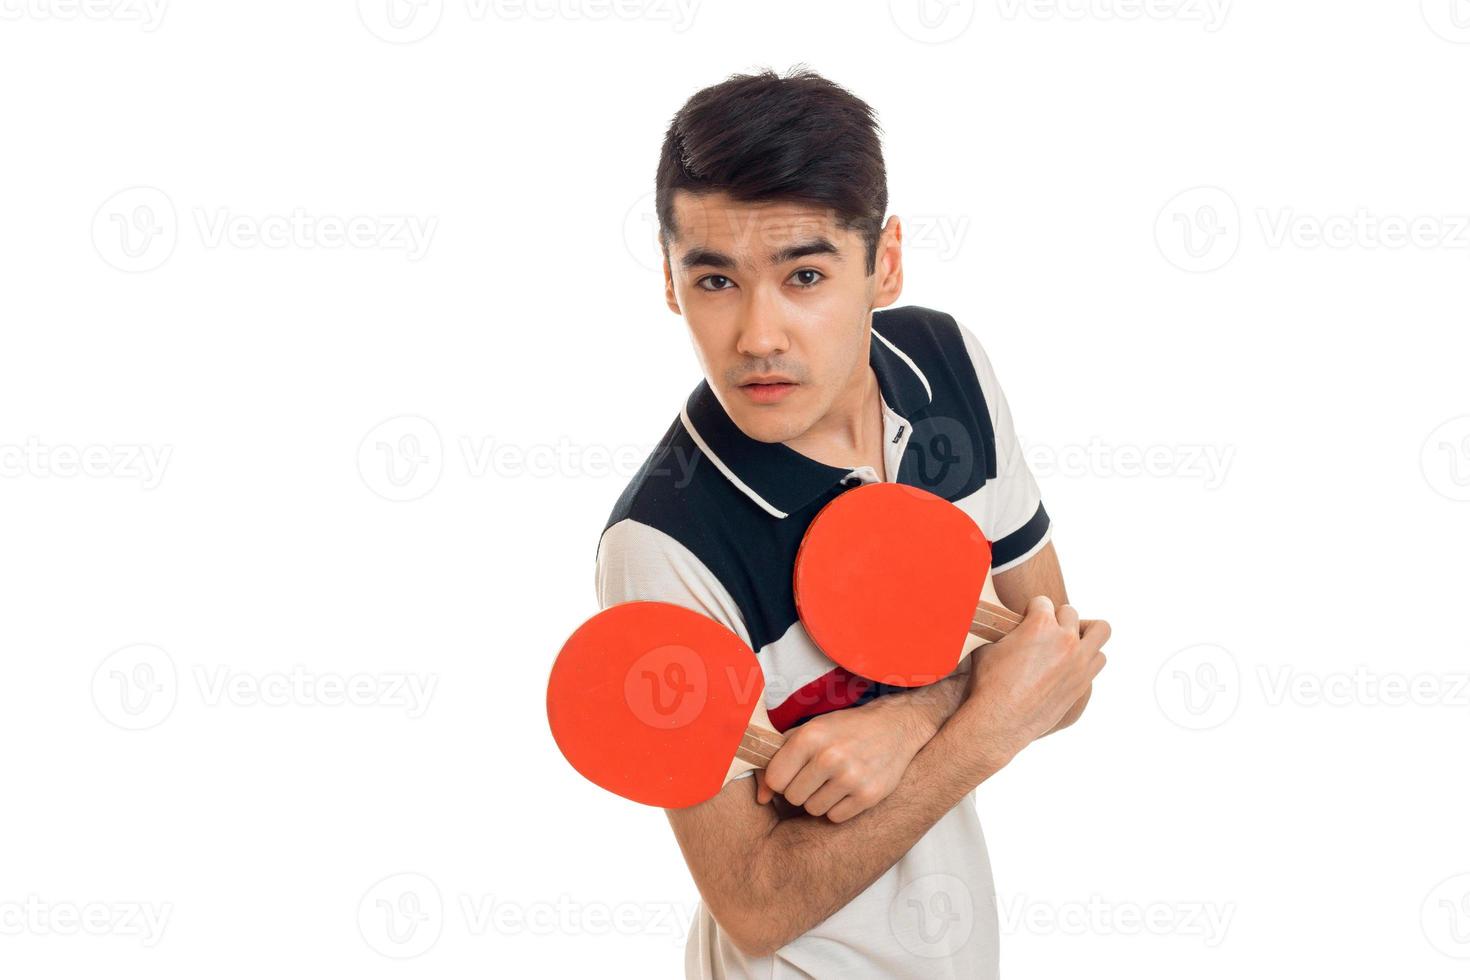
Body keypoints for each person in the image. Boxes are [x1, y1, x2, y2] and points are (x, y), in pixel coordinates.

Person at [596, 65, 1110, 979]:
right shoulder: (663, 546)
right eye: (716, 280)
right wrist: (980, 727)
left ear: (887, 263)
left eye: (804, 274)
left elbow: (1062, 664)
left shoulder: (946, 364)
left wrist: (916, 720)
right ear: (672, 286)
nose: (758, 335)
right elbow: (754, 908)